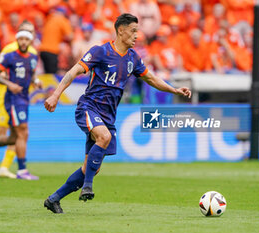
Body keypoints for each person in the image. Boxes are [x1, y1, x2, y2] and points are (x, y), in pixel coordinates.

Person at [43, 13, 191, 214]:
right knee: (104, 137)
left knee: (92, 167)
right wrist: (55, 95)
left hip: (108, 116)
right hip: (89, 107)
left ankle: (54, 199)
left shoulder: (133, 58)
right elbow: (74, 71)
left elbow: (152, 79)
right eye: (133, 31)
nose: (136, 35)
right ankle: (87, 187)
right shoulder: (100, 51)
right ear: (121, 31)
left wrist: (174, 90)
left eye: (137, 31)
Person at [0, 29, 41, 180]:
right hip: (13, 99)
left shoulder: (33, 58)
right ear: (17, 40)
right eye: (21, 39)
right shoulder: (9, 57)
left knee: (14, 137)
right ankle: (22, 170)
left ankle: (22, 169)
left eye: (26, 39)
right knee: (23, 131)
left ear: (30, 41)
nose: (23, 41)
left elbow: (32, 74)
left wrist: (36, 81)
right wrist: (9, 84)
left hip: (24, 98)